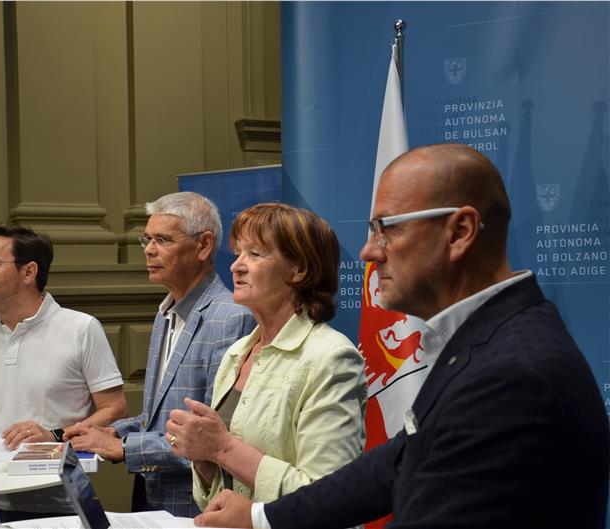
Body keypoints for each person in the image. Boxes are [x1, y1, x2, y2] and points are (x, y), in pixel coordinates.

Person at [193, 144, 610, 529]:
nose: (368, 252)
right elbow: (394, 465)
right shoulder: (483, 339)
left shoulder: (510, 374)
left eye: (386, 228)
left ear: (460, 231)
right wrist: (261, 517)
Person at [165, 203, 367, 513]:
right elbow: (219, 495)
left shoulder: (331, 358)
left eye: (255, 254)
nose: (237, 266)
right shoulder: (237, 353)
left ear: (299, 270)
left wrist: (222, 447)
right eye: (238, 254)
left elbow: (329, 497)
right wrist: (202, 457)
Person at [66, 192, 256, 517]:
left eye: (163, 240)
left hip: (197, 508)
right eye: (147, 239)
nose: (149, 250)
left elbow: (215, 438)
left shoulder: (231, 318)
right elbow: (156, 418)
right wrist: (113, 431)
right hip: (151, 500)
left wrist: (124, 447)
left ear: (204, 245)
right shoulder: (165, 313)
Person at [0, 224, 127, 520]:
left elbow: (115, 409)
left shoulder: (81, 328)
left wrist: (54, 435)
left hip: (52, 497)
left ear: (29, 272)